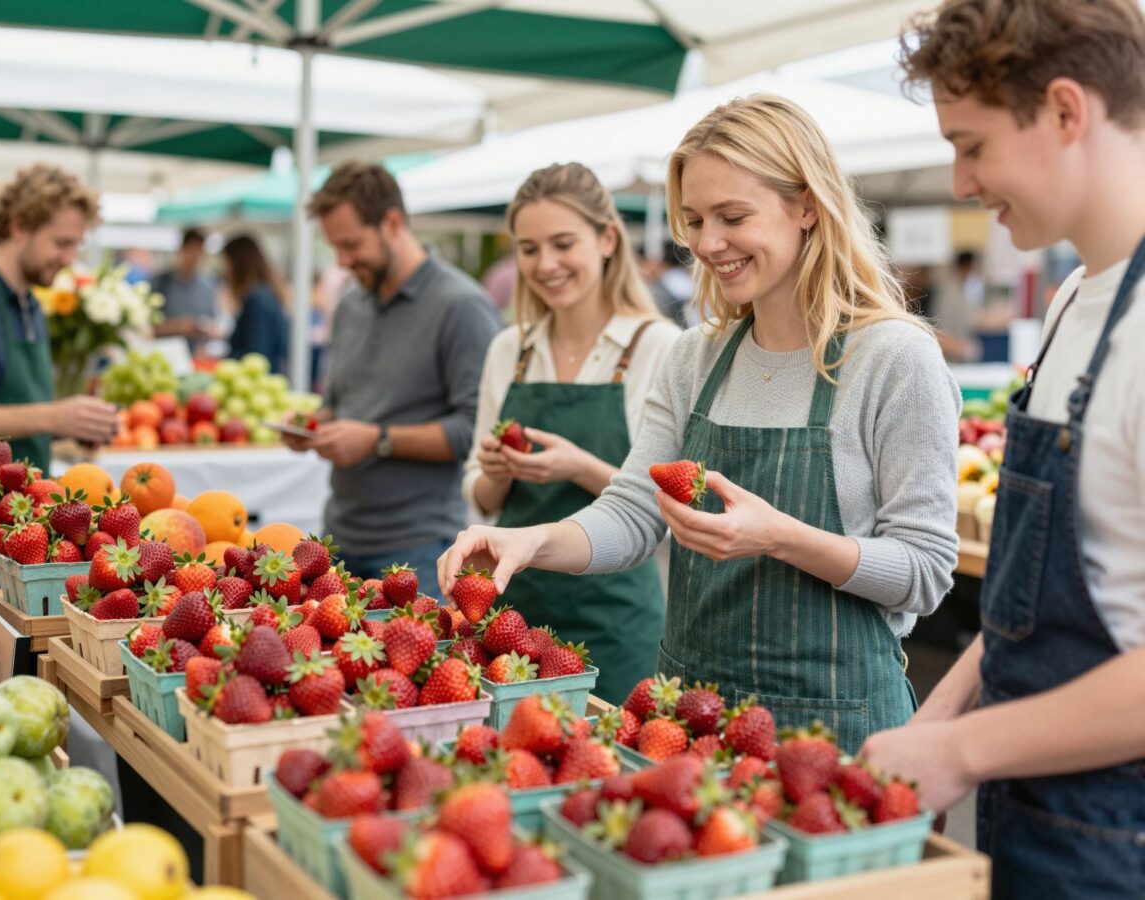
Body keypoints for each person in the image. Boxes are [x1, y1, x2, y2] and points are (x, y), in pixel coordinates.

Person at [439, 95, 961, 754]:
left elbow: (925, 571)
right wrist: (531, 541)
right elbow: (633, 513)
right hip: (689, 721)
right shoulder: (695, 357)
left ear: (807, 205)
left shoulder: (894, 358)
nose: (708, 243)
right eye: (693, 220)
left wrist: (780, 537)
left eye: (733, 216)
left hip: (837, 733)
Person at [859, 2, 1145, 896]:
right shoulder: (1072, 310)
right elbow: (1027, 596)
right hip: (1031, 817)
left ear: (1066, 112)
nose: (959, 181)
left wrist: (963, 747)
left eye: (971, 144)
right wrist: (934, 728)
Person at [463, 163, 681, 703]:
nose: (546, 264)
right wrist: (494, 472)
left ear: (608, 239)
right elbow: (482, 497)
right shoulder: (509, 350)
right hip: (513, 615)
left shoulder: (660, 347)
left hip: (615, 618)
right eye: (529, 249)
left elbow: (675, 507)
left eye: (563, 244)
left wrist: (577, 466)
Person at [285, 162, 501, 581]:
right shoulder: (351, 304)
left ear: (392, 222)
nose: (343, 261)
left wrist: (376, 440)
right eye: (335, 248)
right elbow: (338, 402)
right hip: (340, 539)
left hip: (420, 549)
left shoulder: (461, 307)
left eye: (351, 244)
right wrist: (309, 426)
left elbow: (476, 430)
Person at [0, 164, 119, 473]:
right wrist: (53, 417)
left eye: (76, 246)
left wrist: (72, 426)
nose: (69, 259)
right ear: (19, 226)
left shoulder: (32, 303)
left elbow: (19, 411)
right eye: (62, 243)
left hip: (27, 504)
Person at [222, 233, 288, 374]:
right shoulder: (264, 293)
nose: (225, 271)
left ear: (238, 263)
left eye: (227, 263)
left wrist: (222, 360)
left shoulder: (257, 299)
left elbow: (256, 354)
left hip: (258, 384)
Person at [152, 228, 219, 354]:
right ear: (181, 251)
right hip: (164, 353)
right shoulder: (160, 283)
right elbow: (146, 327)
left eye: (199, 252)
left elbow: (213, 324)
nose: (194, 258)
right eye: (191, 251)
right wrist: (178, 327)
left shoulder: (208, 287)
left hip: (197, 356)